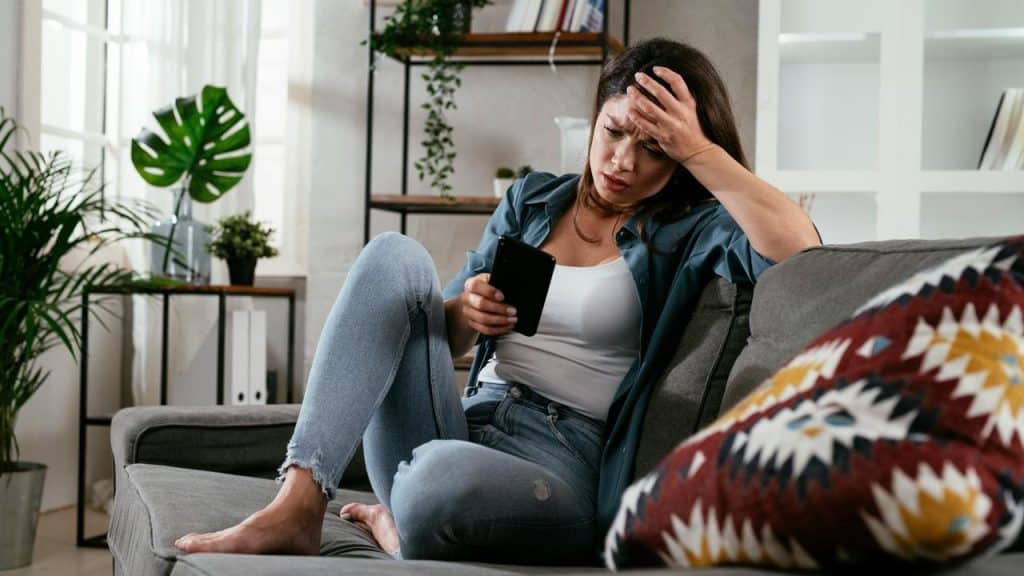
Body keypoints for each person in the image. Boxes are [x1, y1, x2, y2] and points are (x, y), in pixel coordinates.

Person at [173, 37, 821, 565]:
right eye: (616, 131)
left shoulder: (691, 229)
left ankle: (405, 519)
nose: (623, 160)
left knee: (429, 483)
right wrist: (464, 314)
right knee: (392, 255)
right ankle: (298, 502)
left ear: (679, 158)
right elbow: (447, 339)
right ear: (596, 116)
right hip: (463, 424)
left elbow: (798, 248)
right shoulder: (534, 200)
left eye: (653, 149)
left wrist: (699, 149)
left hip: (561, 466)